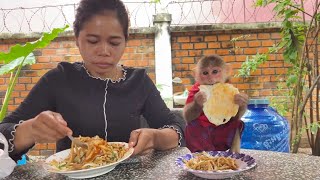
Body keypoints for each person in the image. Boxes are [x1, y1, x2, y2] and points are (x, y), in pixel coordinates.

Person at [0, 0, 185, 162]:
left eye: (114, 43)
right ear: (77, 40)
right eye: (92, 41)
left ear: (125, 41)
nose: (104, 51)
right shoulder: (59, 79)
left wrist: (155, 138)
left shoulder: (138, 81)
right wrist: (30, 130)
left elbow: (176, 127)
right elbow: (3, 132)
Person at [183, 55, 248, 153]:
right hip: (202, 134)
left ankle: (234, 153)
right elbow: (187, 118)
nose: (210, 78)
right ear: (195, 75)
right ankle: (200, 156)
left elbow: (236, 116)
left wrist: (242, 105)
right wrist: (196, 104)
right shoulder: (197, 91)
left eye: (215, 72)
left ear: (227, 71)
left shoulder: (229, 90)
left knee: (238, 124)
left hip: (222, 132)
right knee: (192, 125)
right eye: (205, 73)